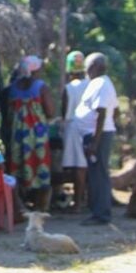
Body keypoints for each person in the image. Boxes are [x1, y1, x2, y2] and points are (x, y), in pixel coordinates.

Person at [75, 53, 120, 226]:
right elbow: (115, 111)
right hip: (97, 134)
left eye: (86, 66)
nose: (85, 70)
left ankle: (101, 214)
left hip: (97, 136)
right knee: (96, 173)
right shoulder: (100, 83)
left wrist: (95, 141)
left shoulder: (102, 83)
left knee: (98, 174)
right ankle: (97, 210)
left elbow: (102, 113)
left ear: (93, 66)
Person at [7, 55, 55, 212]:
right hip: (37, 133)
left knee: (18, 162)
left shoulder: (13, 87)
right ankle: (41, 205)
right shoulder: (41, 87)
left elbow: (9, 111)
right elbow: (50, 111)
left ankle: (19, 203)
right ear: (36, 70)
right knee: (41, 163)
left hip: (18, 134)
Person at [60, 51, 89, 212]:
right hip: (90, 127)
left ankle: (77, 204)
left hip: (73, 128)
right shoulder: (91, 84)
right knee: (87, 166)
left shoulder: (69, 88)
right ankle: (86, 200)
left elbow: (64, 113)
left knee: (78, 167)